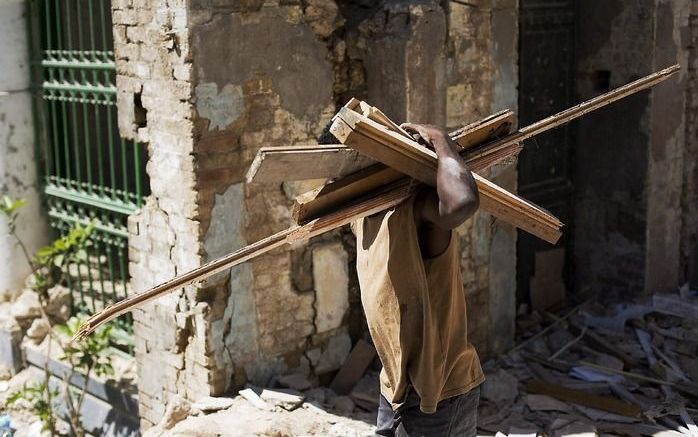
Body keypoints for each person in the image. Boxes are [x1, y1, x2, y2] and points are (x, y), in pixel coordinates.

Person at [352, 123, 483, 437]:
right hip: (395, 386)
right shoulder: (361, 214)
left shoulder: (418, 211)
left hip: (441, 391)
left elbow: (462, 203)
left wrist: (440, 139)